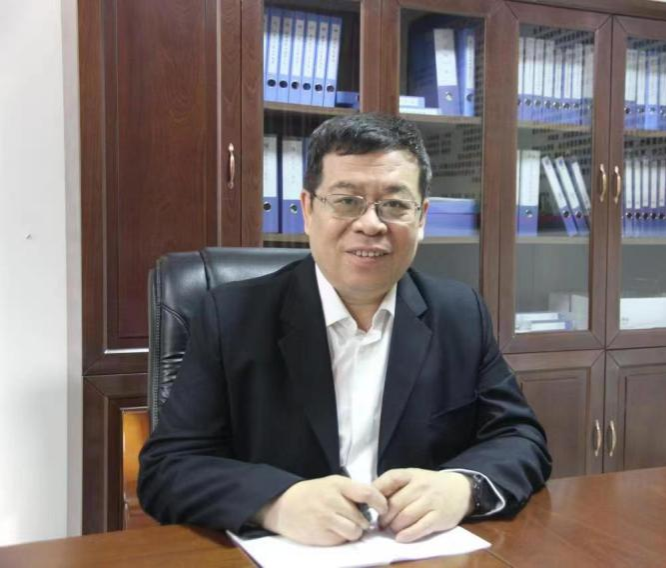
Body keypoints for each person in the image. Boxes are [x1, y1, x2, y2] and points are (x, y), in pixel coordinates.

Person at [138, 113, 551, 546]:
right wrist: (276, 502)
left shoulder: (459, 313)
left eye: (395, 205)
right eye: (347, 201)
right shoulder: (232, 315)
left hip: (418, 553)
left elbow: (520, 438)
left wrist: (463, 487)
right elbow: (168, 468)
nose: (371, 224)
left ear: (421, 217)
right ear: (308, 209)